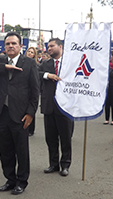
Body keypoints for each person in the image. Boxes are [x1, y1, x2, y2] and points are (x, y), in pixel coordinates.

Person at [0, 32, 39, 195]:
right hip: (1, 113)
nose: (11, 46)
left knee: (21, 149)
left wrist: (30, 113)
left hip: (20, 114)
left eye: (14, 43)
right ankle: (10, 179)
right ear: (4, 47)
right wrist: (4, 67)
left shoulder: (29, 63)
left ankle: (21, 181)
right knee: (4, 149)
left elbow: (35, 91)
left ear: (21, 46)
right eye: (8, 44)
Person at [39, 38, 74, 177]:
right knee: (51, 138)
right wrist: (48, 75)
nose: (49, 48)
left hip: (65, 107)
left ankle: (65, 164)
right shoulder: (45, 63)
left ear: (60, 46)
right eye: (48, 46)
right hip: (49, 105)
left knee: (65, 138)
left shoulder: (70, 63)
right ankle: (53, 164)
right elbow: (36, 73)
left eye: (52, 46)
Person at [25, 46, 39, 136]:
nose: (30, 53)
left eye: (32, 52)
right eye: (28, 51)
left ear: (34, 55)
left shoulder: (35, 64)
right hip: (23, 90)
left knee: (31, 110)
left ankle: (31, 129)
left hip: (31, 90)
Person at [104, 51, 113, 125]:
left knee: (112, 104)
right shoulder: (107, 66)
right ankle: (107, 119)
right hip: (107, 87)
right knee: (107, 104)